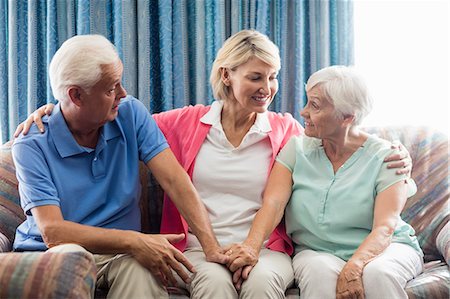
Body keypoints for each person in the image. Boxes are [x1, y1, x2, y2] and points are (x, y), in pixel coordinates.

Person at [16, 31, 413, 299]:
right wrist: (53, 111)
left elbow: (342, 128)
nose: (269, 88)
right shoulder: (181, 123)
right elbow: (92, 115)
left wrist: (393, 150)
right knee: (211, 282)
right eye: (257, 76)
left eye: (273, 77)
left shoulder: (289, 131)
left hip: (259, 248)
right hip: (186, 249)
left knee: (258, 284)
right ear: (227, 75)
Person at [12, 34, 229, 299]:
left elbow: (175, 180)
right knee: (70, 263)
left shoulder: (130, 113)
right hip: (54, 253)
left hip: (120, 255)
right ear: (76, 95)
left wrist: (212, 248)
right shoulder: (31, 145)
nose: (123, 94)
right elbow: (53, 233)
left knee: (142, 269)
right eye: (111, 88)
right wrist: (134, 240)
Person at [235, 65, 423, 299]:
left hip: (385, 249)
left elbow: (385, 228)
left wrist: (354, 267)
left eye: (314, 105)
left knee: (378, 273)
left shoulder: (388, 158)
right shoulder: (297, 148)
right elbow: (273, 204)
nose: (303, 112)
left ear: (347, 118)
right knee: (318, 272)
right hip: (316, 252)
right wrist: (251, 247)